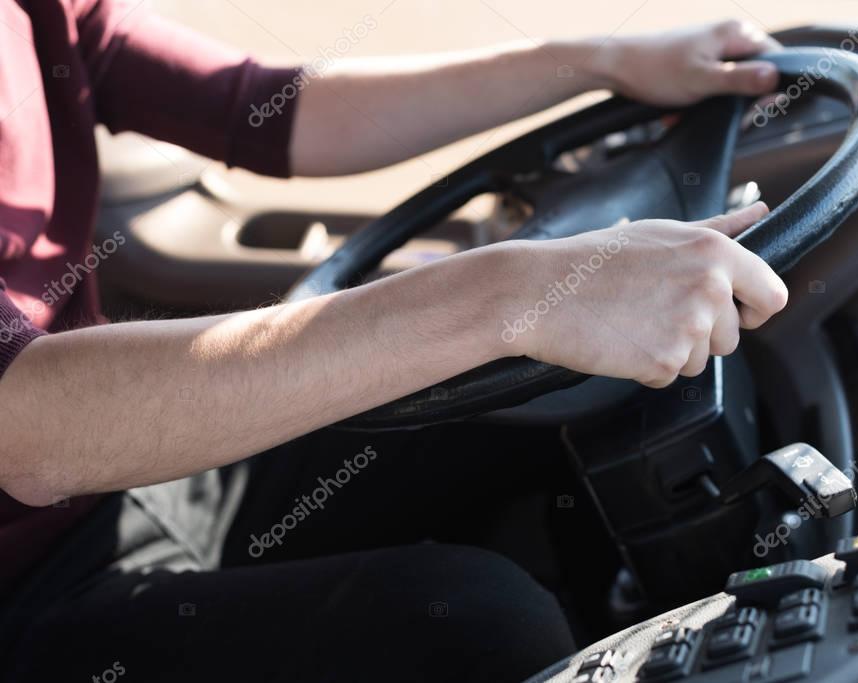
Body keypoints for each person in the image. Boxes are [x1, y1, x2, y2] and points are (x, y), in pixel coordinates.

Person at [0, 2, 788, 681]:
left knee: (560, 408)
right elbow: (32, 429)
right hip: (27, 580)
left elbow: (261, 108)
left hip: (128, 483)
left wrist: (595, 61)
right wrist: (508, 293)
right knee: (476, 625)